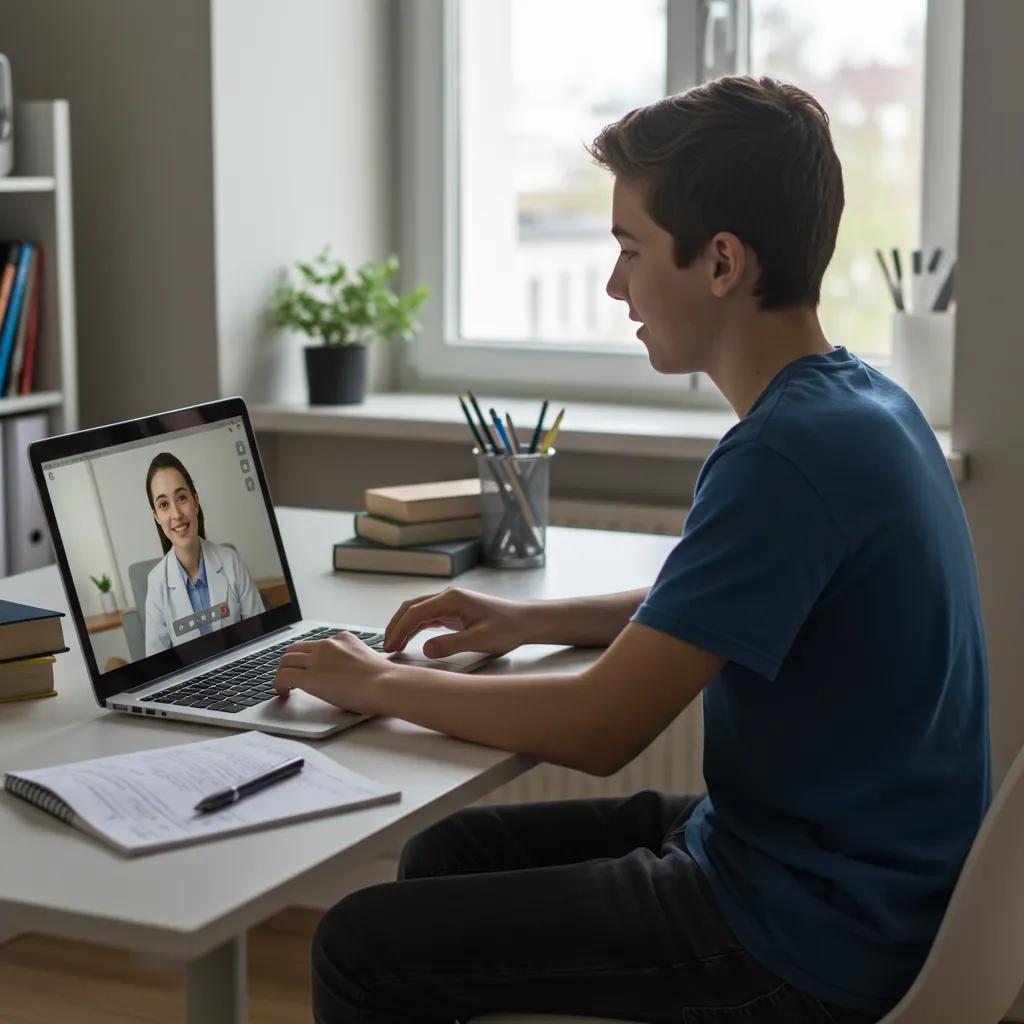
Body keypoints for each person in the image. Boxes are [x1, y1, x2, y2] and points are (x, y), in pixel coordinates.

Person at [273, 76, 990, 1024]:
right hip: (850, 879)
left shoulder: (784, 453)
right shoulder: (864, 402)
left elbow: (600, 732)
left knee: (358, 946)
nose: (615, 285)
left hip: (805, 934)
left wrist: (372, 682)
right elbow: (715, 600)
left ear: (722, 261)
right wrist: (526, 618)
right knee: (449, 855)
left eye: (630, 248)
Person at [144, 452, 265, 655]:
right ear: (156, 516)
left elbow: (262, 636)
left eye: (181, 498)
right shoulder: (156, 583)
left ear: (196, 501)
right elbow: (157, 665)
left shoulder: (230, 560)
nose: (176, 515)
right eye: (164, 505)